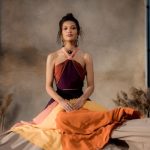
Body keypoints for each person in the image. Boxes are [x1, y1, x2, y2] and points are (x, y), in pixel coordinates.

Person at [0, 13, 150, 150]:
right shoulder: (52, 57)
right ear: (61, 33)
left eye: (73, 28)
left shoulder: (86, 57)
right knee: (62, 120)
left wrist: (82, 99)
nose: (69, 31)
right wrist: (61, 102)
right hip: (58, 103)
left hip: (81, 100)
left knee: (94, 119)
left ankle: (118, 114)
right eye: (65, 28)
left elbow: (91, 85)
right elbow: (48, 86)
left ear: (78, 32)